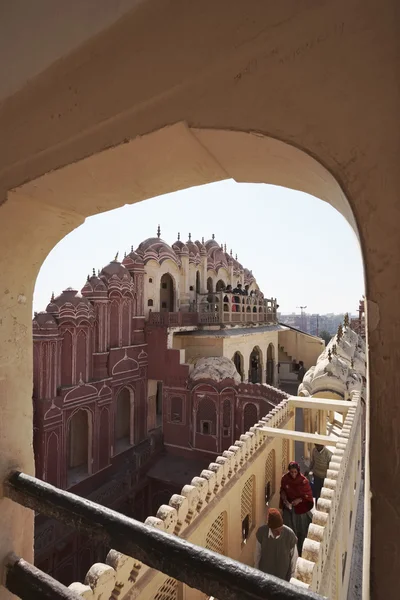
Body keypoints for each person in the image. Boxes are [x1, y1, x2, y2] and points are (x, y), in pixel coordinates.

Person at [254, 508, 298, 582]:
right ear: (270, 528)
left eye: (281, 529)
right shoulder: (262, 533)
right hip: (265, 578)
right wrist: (256, 575)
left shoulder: (290, 535)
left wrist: (292, 579)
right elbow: (257, 555)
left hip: (283, 579)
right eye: (276, 530)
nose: (279, 532)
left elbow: (294, 559)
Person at [280, 461, 313, 555]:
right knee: (289, 531)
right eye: (291, 472)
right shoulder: (285, 479)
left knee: (301, 531)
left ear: (298, 471)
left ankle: (300, 551)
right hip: (289, 509)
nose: (293, 474)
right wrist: (285, 500)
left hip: (300, 510)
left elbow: (308, 495)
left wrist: (299, 500)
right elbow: (282, 490)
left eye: (295, 472)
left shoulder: (303, 481)